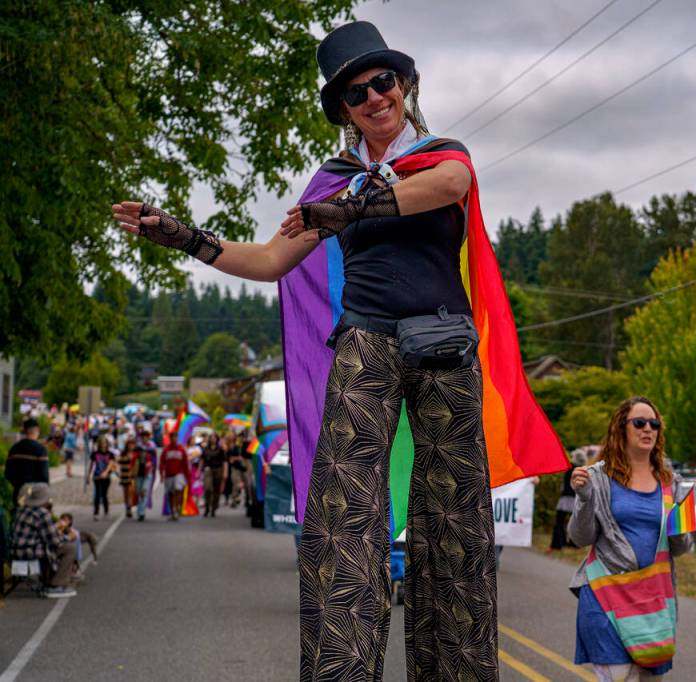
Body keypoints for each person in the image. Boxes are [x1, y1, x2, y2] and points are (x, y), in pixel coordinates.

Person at [108, 19, 555, 679]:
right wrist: (184, 237)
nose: (375, 97)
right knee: (343, 522)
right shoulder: (335, 178)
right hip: (365, 342)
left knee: (454, 528)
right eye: (357, 92)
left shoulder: (437, 154)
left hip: (443, 345)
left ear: (404, 86)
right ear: (344, 111)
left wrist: (355, 209)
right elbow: (268, 260)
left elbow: (451, 186)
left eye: (384, 82)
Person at [569, 397, 693, 682]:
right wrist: (585, 499)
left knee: (651, 678)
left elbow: (681, 548)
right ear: (620, 428)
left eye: (654, 424)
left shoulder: (670, 480)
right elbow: (580, 537)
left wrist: (680, 522)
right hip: (605, 592)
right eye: (639, 423)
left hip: (653, 595)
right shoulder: (596, 477)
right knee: (620, 676)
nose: (648, 429)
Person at [10, 483, 77, 598]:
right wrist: (68, 537)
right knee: (69, 548)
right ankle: (56, 585)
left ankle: (48, 580)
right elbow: (53, 540)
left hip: (15, 551)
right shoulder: (42, 513)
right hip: (31, 552)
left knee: (48, 547)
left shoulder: (21, 510)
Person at [4, 418, 50, 506]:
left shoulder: (14, 448)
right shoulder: (40, 449)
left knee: (19, 517)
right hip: (35, 496)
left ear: (25, 431)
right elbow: (44, 476)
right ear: (37, 430)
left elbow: (8, 473)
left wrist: (18, 485)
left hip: (18, 492)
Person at [550, 447, 589, 552]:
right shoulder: (584, 470)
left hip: (566, 498)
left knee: (559, 522)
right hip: (577, 499)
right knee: (575, 522)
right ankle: (573, 543)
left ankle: (557, 544)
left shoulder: (570, 468)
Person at [160, 432, 189, 521]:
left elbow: (185, 463)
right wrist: (161, 474)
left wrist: (187, 475)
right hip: (169, 474)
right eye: (173, 437)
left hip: (179, 473)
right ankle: (173, 511)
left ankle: (177, 508)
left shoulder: (181, 449)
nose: (174, 439)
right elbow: (162, 463)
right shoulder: (166, 450)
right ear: (170, 439)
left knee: (178, 490)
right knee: (170, 493)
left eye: (176, 437)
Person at [88, 435, 116, 521]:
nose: (103, 445)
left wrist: (105, 473)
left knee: (104, 495)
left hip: (106, 477)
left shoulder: (110, 454)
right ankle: (96, 513)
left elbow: (111, 465)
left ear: (107, 444)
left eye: (105, 443)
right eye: (102, 443)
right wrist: (88, 476)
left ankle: (106, 511)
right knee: (97, 494)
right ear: (99, 444)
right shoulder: (95, 454)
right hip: (96, 476)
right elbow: (91, 465)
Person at [200, 433, 227, 518]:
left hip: (218, 469)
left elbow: (224, 461)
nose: (213, 439)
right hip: (208, 470)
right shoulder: (206, 449)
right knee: (208, 488)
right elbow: (202, 459)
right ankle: (207, 506)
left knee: (216, 490)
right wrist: (199, 470)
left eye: (214, 437)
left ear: (217, 439)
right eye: (211, 438)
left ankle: (213, 508)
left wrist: (225, 472)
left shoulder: (220, 449)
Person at [117, 436, 138, 517]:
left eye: (132, 444)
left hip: (131, 476)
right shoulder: (123, 453)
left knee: (130, 492)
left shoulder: (135, 454)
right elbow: (118, 463)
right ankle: (127, 507)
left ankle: (129, 508)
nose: (131, 446)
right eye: (130, 444)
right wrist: (118, 473)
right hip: (124, 475)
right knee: (125, 493)